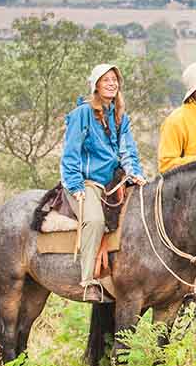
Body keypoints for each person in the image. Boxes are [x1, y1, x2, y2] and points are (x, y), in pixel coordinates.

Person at [61, 63, 146, 301]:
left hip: (115, 181)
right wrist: (75, 185)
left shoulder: (120, 116)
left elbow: (128, 150)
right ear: (96, 85)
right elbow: (71, 152)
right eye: (106, 79)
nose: (111, 83)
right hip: (89, 182)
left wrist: (135, 173)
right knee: (95, 220)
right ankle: (88, 281)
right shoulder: (82, 114)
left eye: (114, 79)